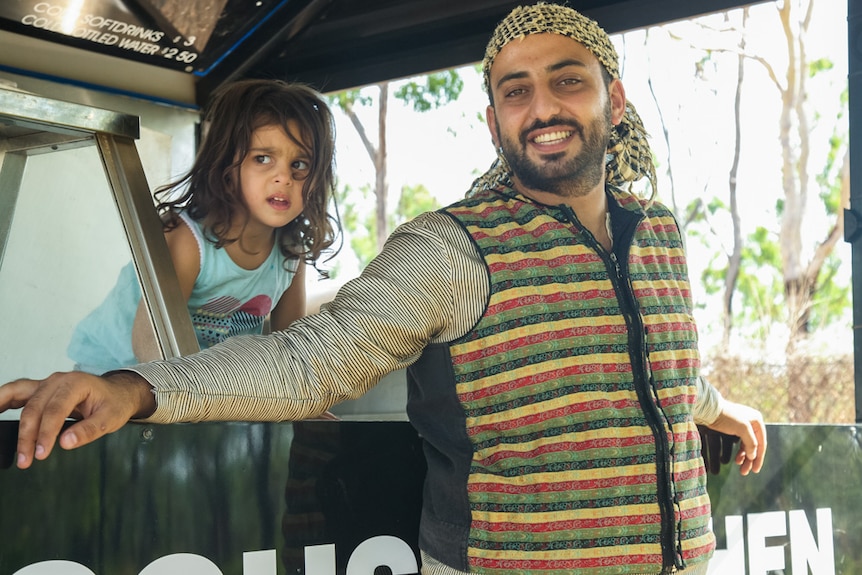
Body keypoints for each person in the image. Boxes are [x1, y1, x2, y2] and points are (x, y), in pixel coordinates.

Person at [1, 3, 766, 575]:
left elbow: (650, 357)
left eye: (568, 81)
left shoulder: (658, 231)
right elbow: (308, 362)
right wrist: (136, 388)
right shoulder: (450, 247)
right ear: (494, 120)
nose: (542, 107)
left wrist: (715, 405)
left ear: (614, 99)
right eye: (515, 90)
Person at [66, 79, 341, 374]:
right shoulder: (188, 239)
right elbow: (149, 345)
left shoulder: (290, 252)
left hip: (193, 391)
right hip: (109, 375)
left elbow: (291, 347)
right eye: (263, 158)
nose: (284, 178)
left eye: (300, 165)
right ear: (225, 167)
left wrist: (303, 410)